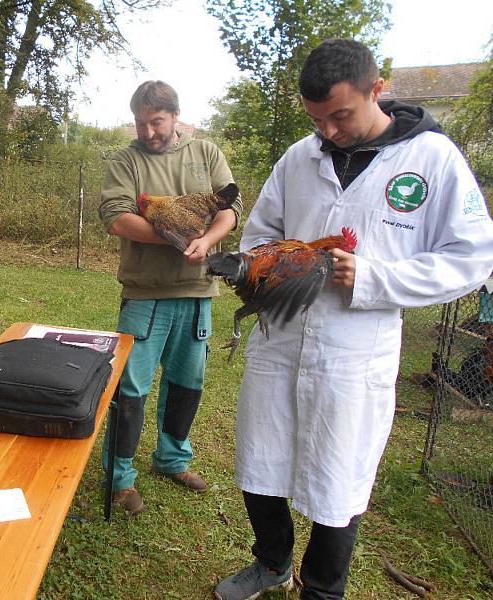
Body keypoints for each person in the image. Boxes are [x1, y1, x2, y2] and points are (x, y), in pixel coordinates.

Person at [214, 39, 493, 600]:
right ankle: (271, 563)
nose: (329, 132)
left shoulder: (433, 159)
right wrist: (272, 263)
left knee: (339, 477)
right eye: (317, 119)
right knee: (261, 457)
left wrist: (375, 279)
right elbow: (260, 231)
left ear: (377, 90)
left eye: (340, 115)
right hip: (282, 335)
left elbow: (472, 256)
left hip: (354, 348)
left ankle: (322, 590)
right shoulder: (299, 156)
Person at [98, 80, 242, 515]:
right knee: (130, 389)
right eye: (140, 123)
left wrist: (209, 239)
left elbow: (231, 211)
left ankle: (172, 459)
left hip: (198, 292)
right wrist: (178, 239)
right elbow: (117, 219)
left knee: (187, 386)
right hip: (146, 294)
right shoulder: (126, 160)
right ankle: (120, 478)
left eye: (156, 122)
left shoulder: (206, 153)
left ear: (175, 116)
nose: (147, 132)